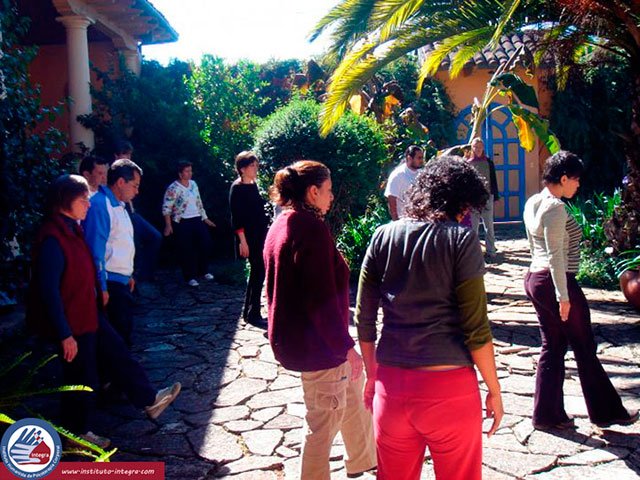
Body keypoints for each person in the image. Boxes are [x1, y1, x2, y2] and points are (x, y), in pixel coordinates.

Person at [356, 156, 503, 480]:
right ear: (460, 202)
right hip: (449, 392)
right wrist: (494, 389)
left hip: (392, 389)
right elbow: (476, 329)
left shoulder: (382, 236)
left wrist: (372, 374)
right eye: (466, 207)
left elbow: (364, 319)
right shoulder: (461, 239)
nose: (465, 215)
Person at [26, 175, 181, 449]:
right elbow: (49, 290)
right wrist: (64, 334)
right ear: (65, 200)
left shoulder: (73, 229)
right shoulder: (52, 237)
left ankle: (149, 400)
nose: (88, 203)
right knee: (82, 378)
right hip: (73, 322)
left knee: (118, 353)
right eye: (83, 199)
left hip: (89, 312)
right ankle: (75, 433)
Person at [263, 161, 377, 480]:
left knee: (354, 388)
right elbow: (319, 300)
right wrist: (346, 347)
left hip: (304, 340)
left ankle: (364, 460)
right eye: (328, 190)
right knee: (322, 423)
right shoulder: (310, 229)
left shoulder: (283, 222)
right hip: (318, 346)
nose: (331, 197)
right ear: (313, 192)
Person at [523, 151, 638, 430]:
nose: (578, 185)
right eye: (575, 179)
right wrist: (563, 296)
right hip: (555, 280)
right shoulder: (555, 208)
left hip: (535, 278)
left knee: (553, 345)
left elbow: (536, 247)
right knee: (584, 344)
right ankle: (607, 412)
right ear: (563, 178)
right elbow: (555, 255)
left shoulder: (533, 201)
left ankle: (547, 415)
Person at [83, 159, 142, 346]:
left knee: (124, 334)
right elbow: (96, 250)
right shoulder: (101, 205)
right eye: (135, 185)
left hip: (121, 282)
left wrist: (128, 274)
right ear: (121, 182)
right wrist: (102, 287)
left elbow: (119, 244)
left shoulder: (119, 205)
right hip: (110, 284)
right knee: (116, 341)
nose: (137, 191)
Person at [229, 151, 270, 327]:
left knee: (258, 273)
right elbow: (236, 218)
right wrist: (243, 242)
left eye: (256, 165)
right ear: (242, 168)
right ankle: (253, 313)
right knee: (257, 271)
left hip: (260, 234)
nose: (256, 169)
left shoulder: (253, 185)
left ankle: (250, 311)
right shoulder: (237, 188)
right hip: (248, 237)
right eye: (252, 166)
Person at [113, 141, 162, 284]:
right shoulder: (114, 174)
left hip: (133, 213)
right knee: (132, 244)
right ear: (116, 156)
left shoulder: (132, 171)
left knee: (155, 236)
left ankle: (146, 273)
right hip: (122, 213)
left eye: (129, 155)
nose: (128, 158)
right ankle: (134, 277)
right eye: (124, 154)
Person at [162, 161, 216, 287]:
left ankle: (203, 271)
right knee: (186, 249)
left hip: (197, 218)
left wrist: (205, 218)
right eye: (187, 171)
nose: (190, 173)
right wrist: (168, 225)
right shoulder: (173, 188)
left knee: (205, 243)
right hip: (182, 221)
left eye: (190, 170)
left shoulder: (193, 184)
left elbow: (199, 202)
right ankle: (189, 276)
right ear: (180, 173)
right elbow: (167, 207)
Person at [467, 137, 500, 259]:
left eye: (480, 147)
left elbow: (493, 180)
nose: (478, 149)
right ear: (472, 148)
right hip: (474, 198)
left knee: (489, 226)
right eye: (475, 147)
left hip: (487, 197)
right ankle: (474, 253)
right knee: (474, 227)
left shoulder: (489, 162)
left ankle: (491, 251)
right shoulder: (468, 163)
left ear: (483, 148)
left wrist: (495, 196)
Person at [384, 145, 424, 220]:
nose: (422, 160)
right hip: (404, 220)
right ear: (409, 158)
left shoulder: (421, 173)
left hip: (420, 219)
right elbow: (391, 198)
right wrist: (396, 221)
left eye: (422, 158)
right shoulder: (398, 175)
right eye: (419, 158)